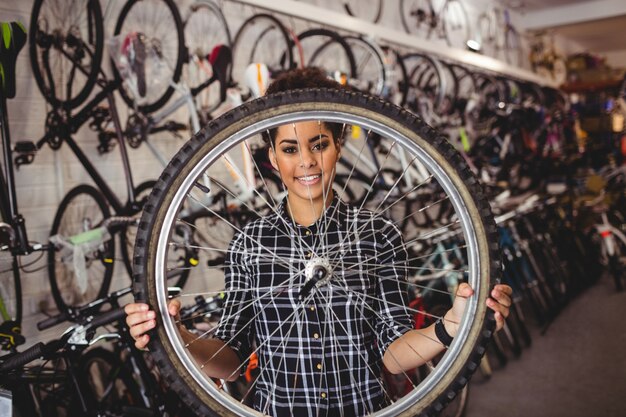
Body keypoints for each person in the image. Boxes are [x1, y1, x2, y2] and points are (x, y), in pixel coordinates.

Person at [125, 67, 512, 417]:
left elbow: (394, 354)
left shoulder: (378, 235)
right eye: (290, 149)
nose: (306, 161)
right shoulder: (250, 243)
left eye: (319, 144)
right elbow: (233, 359)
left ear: (339, 143)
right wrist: (175, 336)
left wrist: (454, 324)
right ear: (273, 158)